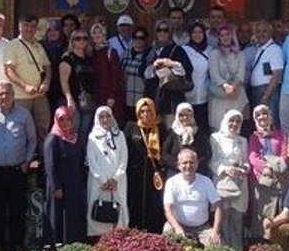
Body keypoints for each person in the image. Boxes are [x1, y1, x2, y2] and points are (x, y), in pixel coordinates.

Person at [0, 81, 37, 251]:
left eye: (7, 93)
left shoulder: (24, 115)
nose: (4, 97)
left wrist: (27, 161)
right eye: (0, 94)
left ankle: (17, 243)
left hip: (17, 170)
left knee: (18, 209)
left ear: (13, 95)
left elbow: (32, 140)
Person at [2, 15, 53, 146]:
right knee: (20, 130)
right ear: (19, 26)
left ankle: (43, 157)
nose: (29, 29)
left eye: (33, 26)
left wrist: (46, 82)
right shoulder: (12, 45)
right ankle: (23, 158)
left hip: (40, 96)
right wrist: (24, 86)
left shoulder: (39, 46)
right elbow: (9, 71)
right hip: (21, 96)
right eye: (26, 25)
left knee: (43, 128)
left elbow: (48, 66)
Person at [42, 105, 87, 247]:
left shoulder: (75, 138)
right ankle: (56, 246)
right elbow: (50, 165)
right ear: (56, 121)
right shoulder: (52, 139)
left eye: (68, 119)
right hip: (59, 186)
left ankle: (73, 245)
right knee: (58, 216)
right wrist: (56, 187)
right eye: (62, 119)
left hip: (74, 185)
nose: (66, 122)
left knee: (73, 215)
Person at [162, 148, 223, 246]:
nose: (188, 166)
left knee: (215, 246)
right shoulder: (171, 182)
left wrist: (215, 231)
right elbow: (167, 209)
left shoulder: (206, 181)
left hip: (203, 228)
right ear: (178, 165)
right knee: (167, 233)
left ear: (197, 164)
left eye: (192, 162)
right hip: (178, 225)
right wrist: (177, 228)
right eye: (184, 163)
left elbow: (218, 206)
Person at [125, 97, 168, 233]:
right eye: (142, 111)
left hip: (153, 173)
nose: (145, 114)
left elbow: (165, 151)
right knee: (135, 202)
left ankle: (153, 235)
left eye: (148, 111)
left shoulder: (161, 128)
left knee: (153, 204)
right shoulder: (131, 127)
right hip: (135, 173)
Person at [248, 103, 289, 240]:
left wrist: (274, 168)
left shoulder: (280, 134)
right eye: (258, 115)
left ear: (270, 116)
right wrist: (264, 168)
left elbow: (284, 154)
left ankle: (278, 240)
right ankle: (260, 241)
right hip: (261, 179)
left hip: (279, 176)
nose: (262, 117)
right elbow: (253, 157)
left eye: (264, 113)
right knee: (261, 209)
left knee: (279, 207)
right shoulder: (254, 137)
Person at [209, 109, 249, 251]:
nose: (234, 124)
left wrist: (245, 168)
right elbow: (211, 161)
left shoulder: (242, 140)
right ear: (226, 120)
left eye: (238, 121)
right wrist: (225, 169)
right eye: (231, 120)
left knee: (237, 218)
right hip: (222, 181)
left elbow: (245, 161)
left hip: (239, 182)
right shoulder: (215, 138)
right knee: (222, 217)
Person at [86, 105, 129, 236]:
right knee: (97, 205)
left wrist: (116, 178)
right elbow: (92, 160)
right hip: (98, 180)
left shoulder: (120, 135)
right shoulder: (92, 137)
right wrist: (103, 180)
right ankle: (97, 238)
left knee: (119, 205)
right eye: (101, 117)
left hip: (118, 180)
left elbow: (124, 157)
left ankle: (120, 235)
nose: (105, 119)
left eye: (108, 116)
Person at [144, 20, 193, 122]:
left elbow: (188, 69)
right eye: (159, 30)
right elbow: (142, 73)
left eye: (165, 30)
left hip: (172, 99)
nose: (162, 33)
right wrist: (154, 68)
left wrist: (171, 64)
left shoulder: (177, 50)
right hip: (153, 98)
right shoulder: (149, 51)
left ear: (170, 32)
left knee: (172, 128)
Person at [58, 26, 97, 139]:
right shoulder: (67, 59)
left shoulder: (89, 58)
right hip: (74, 101)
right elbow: (64, 81)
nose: (81, 41)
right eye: (78, 38)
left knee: (85, 132)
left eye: (85, 38)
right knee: (73, 131)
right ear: (72, 41)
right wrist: (69, 99)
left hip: (88, 101)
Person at [207, 23, 247, 131]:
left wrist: (233, 87)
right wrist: (225, 86)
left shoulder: (240, 54)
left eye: (227, 34)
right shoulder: (214, 53)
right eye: (222, 35)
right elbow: (214, 74)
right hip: (219, 94)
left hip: (235, 94)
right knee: (218, 126)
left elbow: (241, 74)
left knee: (234, 126)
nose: (225, 37)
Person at [245, 20, 285, 129]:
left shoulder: (274, 49)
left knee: (270, 122)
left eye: (264, 31)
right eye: (258, 31)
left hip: (268, 91)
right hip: (257, 91)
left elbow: (277, 74)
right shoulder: (258, 48)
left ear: (270, 32)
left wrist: (266, 96)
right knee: (260, 124)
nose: (261, 34)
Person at [90, 22, 126, 128]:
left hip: (110, 95)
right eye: (94, 32)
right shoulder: (91, 52)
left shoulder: (111, 52)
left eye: (99, 32)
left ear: (104, 35)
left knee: (112, 123)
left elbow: (116, 75)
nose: (97, 35)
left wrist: (112, 95)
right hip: (97, 95)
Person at [162, 102, 212, 179]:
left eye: (188, 115)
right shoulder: (172, 133)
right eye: (181, 115)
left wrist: (194, 164)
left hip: (198, 172)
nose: (185, 118)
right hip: (175, 172)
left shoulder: (199, 132)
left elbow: (207, 153)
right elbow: (165, 154)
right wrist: (179, 165)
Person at [181, 22, 211, 130]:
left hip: (205, 94)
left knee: (203, 127)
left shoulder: (210, 50)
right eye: (194, 32)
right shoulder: (184, 49)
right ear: (190, 34)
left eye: (200, 32)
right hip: (188, 93)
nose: (197, 35)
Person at [121, 26, 152, 123]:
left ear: (145, 40)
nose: (138, 40)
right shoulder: (125, 54)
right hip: (126, 97)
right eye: (135, 37)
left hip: (142, 97)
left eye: (141, 38)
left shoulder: (149, 56)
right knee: (127, 125)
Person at [42, 19, 68, 111]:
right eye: (49, 30)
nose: (52, 33)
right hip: (45, 88)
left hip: (62, 88)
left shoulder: (67, 45)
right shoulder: (40, 46)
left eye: (56, 30)